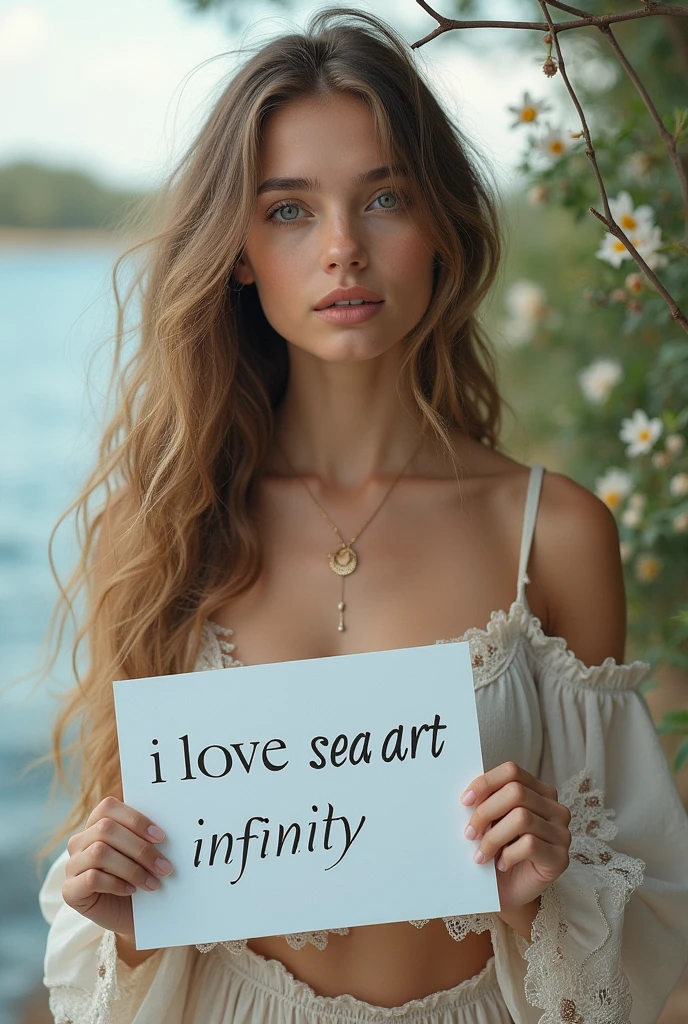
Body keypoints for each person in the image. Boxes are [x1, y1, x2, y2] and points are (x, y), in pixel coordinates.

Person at [37, 7, 688, 1023]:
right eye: (290, 210)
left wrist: (541, 893)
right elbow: (126, 890)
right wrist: (111, 906)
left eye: (383, 196)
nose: (343, 247)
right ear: (240, 250)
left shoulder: (551, 533)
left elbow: (635, 938)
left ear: (441, 225)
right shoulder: (163, 524)